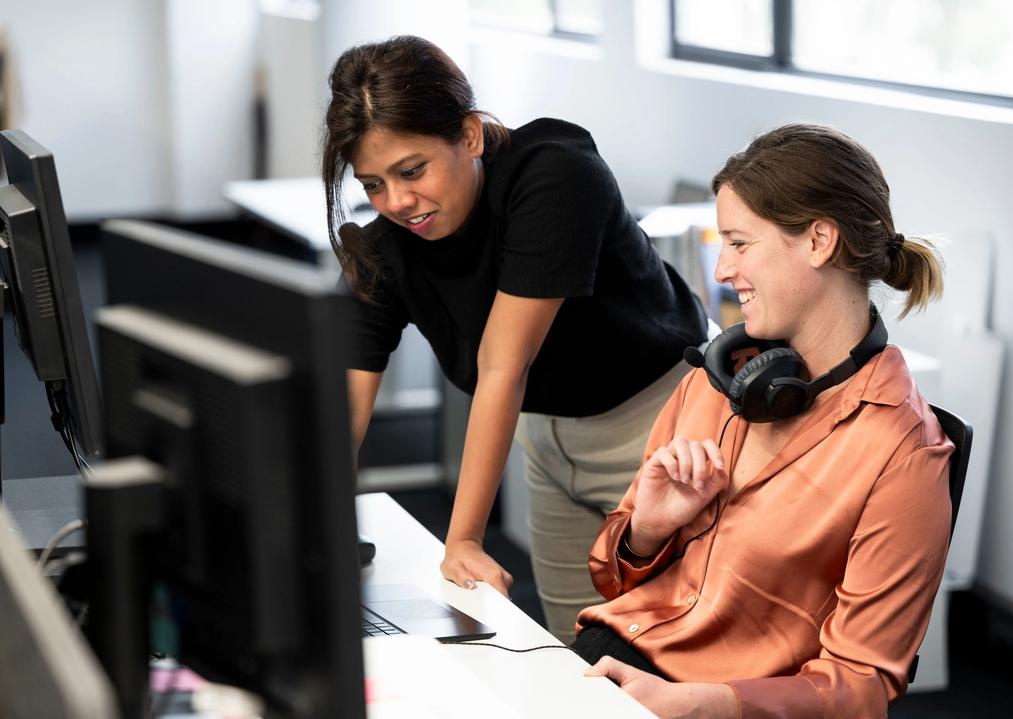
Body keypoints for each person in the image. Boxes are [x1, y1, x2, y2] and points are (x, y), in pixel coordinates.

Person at [320, 35, 709, 643]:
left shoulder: (554, 175)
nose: (396, 202)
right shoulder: (386, 251)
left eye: (412, 170)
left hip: (660, 425)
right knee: (580, 650)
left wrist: (465, 539)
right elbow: (341, 407)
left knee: (675, 650)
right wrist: (313, 531)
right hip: (546, 434)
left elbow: (503, 365)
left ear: (469, 135)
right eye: (372, 184)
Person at [574, 123, 953, 718]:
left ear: (819, 241)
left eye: (740, 243)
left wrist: (699, 705)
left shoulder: (903, 451)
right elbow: (611, 579)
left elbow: (861, 687)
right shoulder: (715, 378)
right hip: (613, 661)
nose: (722, 269)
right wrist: (646, 532)